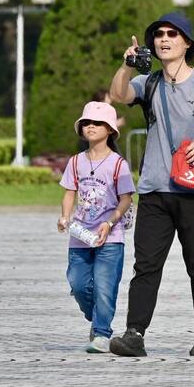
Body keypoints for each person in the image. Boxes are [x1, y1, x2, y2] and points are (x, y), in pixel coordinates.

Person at [107, 12, 194, 357]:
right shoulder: (149, 83)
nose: (163, 39)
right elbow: (118, 94)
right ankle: (134, 334)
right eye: (158, 34)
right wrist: (127, 66)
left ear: (187, 43)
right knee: (146, 266)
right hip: (154, 189)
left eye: (172, 34)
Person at [58, 102, 135, 353]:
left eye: (97, 123)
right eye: (86, 123)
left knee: (105, 286)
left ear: (110, 130)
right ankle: (97, 316)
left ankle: (102, 334)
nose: (90, 126)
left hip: (110, 236)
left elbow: (126, 199)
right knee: (78, 284)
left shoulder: (118, 164)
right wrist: (64, 216)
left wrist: (110, 222)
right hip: (80, 235)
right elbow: (70, 192)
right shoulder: (75, 162)